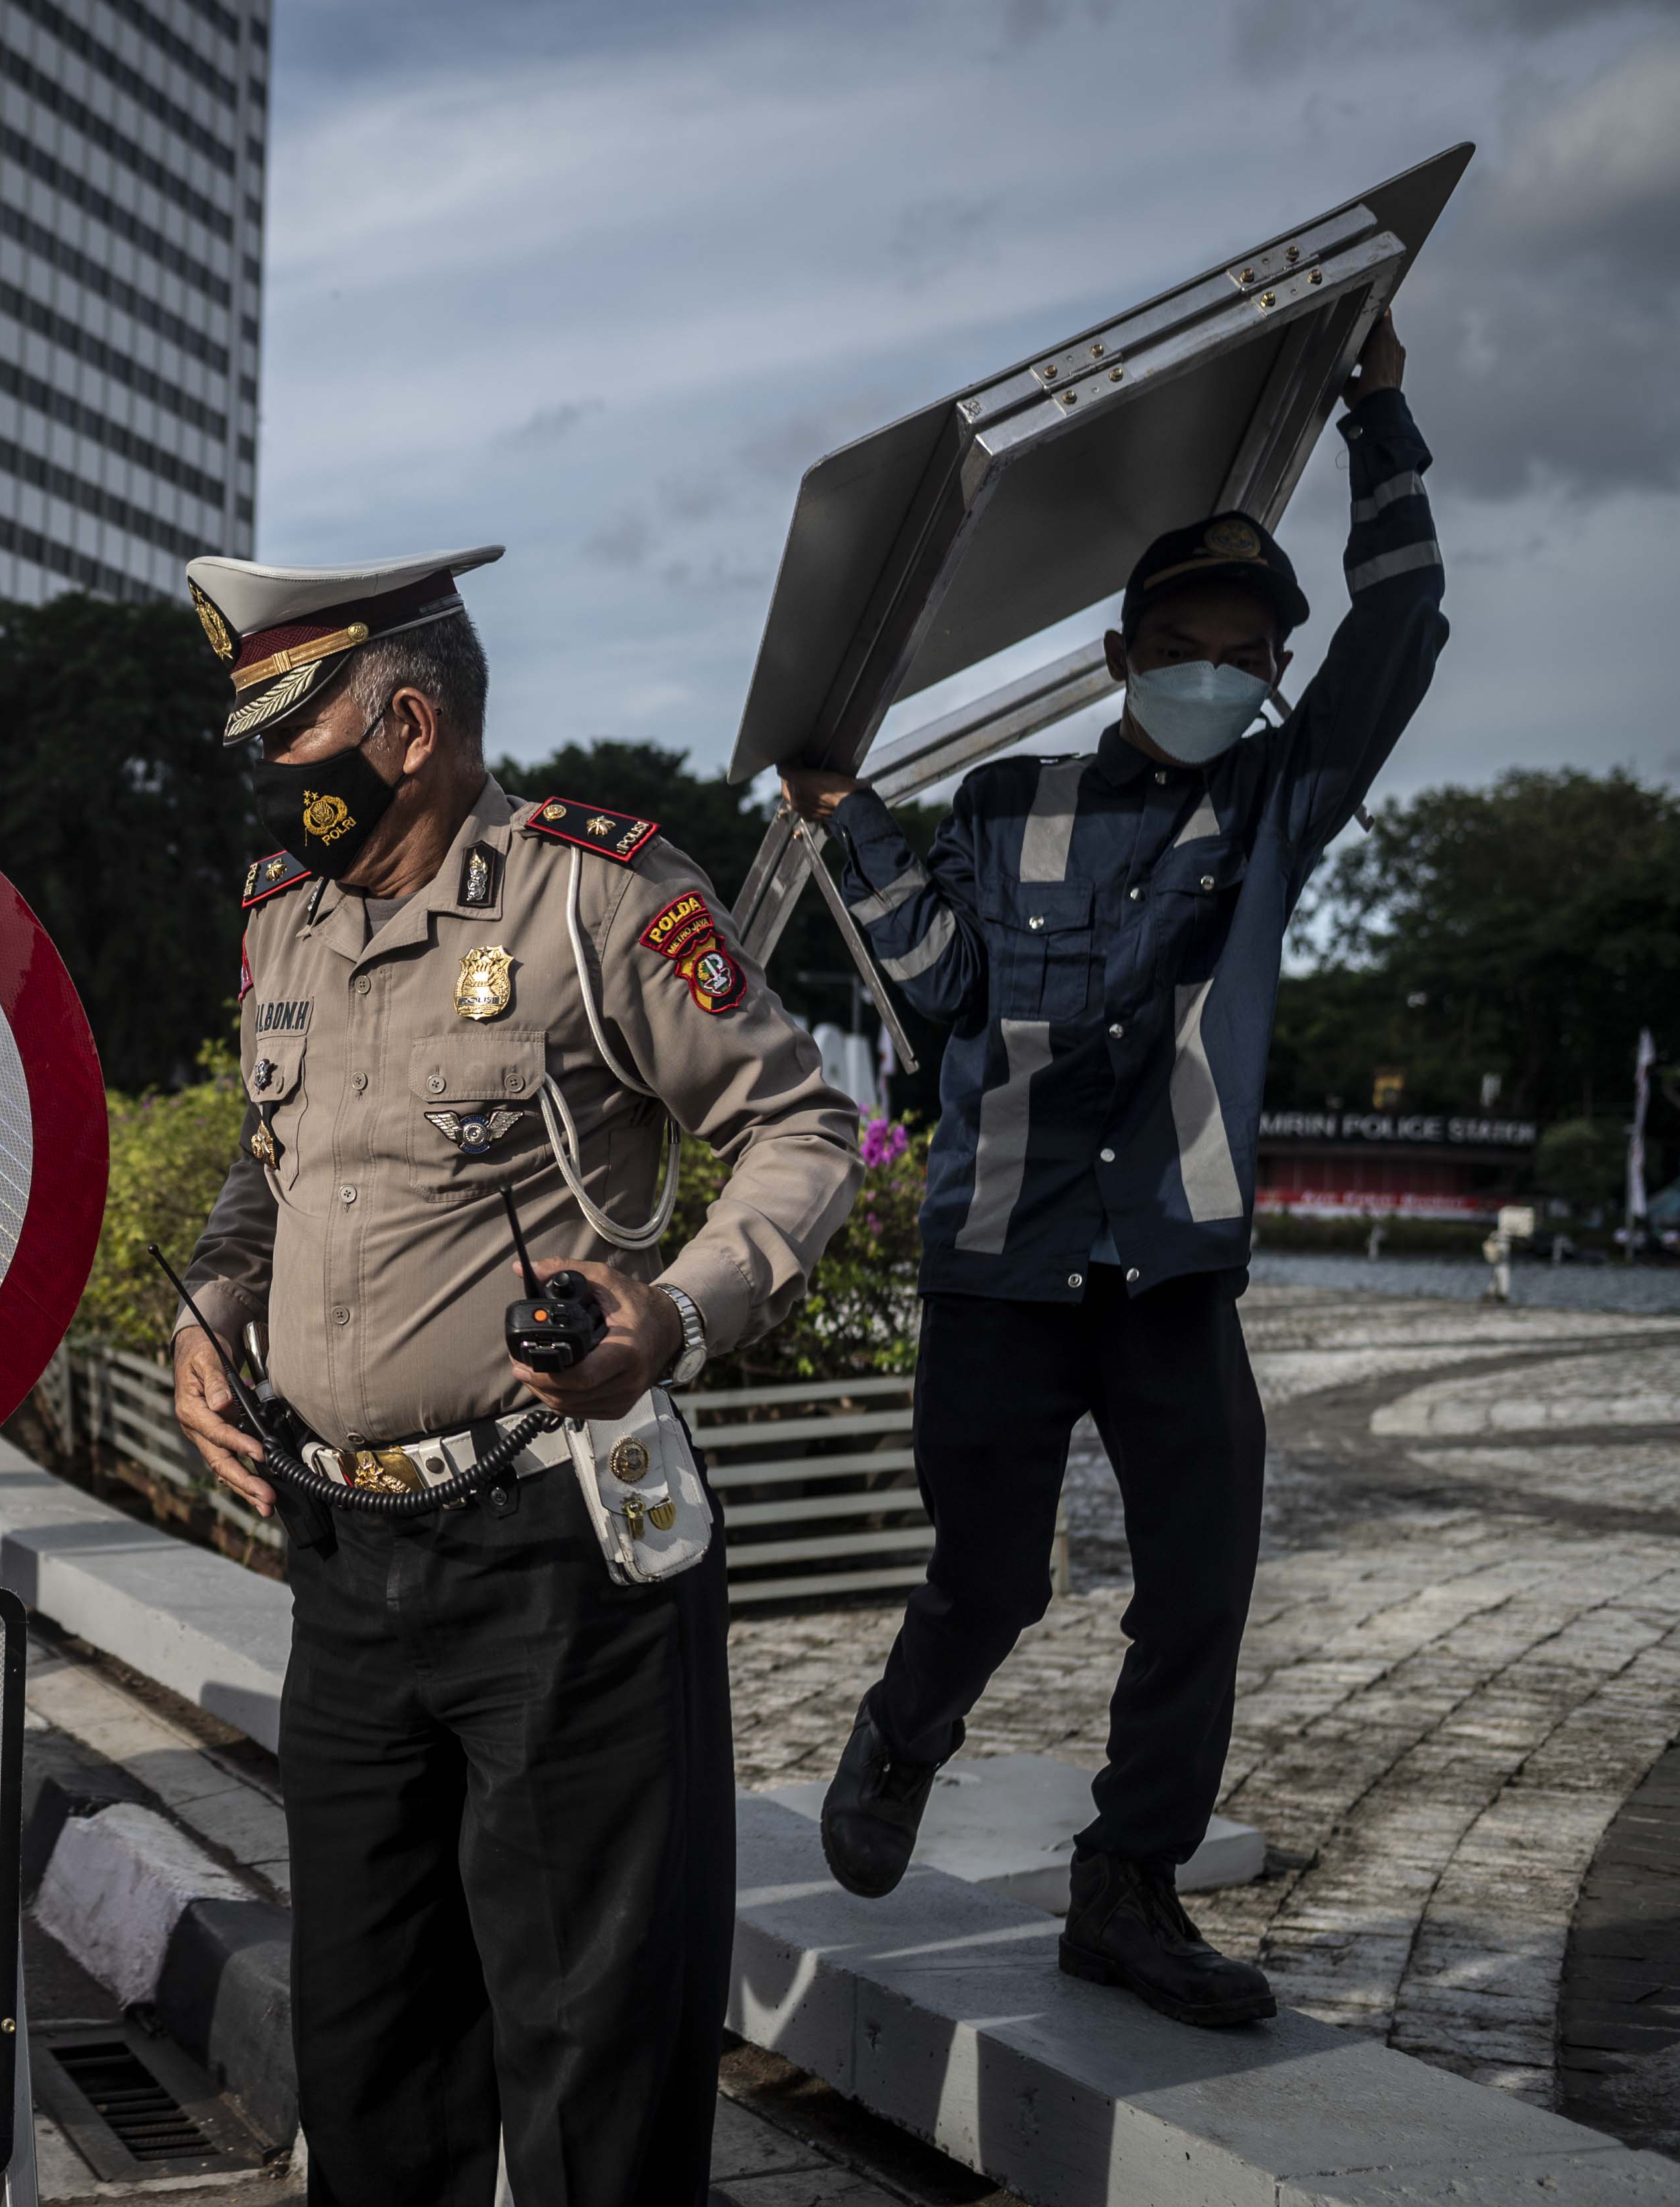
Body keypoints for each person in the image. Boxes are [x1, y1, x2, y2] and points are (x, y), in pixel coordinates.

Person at [167, 548, 861, 2207]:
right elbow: (276, 1170)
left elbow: (801, 1126)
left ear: (404, 726)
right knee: (371, 2048)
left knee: (589, 2066)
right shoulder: (288, 921)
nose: (270, 768)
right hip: (342, 1562)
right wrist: (209, 1311)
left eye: (290, 728)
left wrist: (673, 1320)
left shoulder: (593, 895)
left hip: (556, 1561)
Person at [786, 312, 1444, 2030]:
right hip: (995, 1268)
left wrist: (1382, 416)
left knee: (1200, 1582)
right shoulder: (1007, 806)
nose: (1219, 664)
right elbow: (931, 991)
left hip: (1170, 1273)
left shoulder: (1277, 802)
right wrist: (848, 817)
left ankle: (1125, 1885)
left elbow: (1402, 630)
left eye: (1248, 646)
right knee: (993, 1570)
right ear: (1122, 651)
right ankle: (902, 1731)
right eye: (1189, 636)